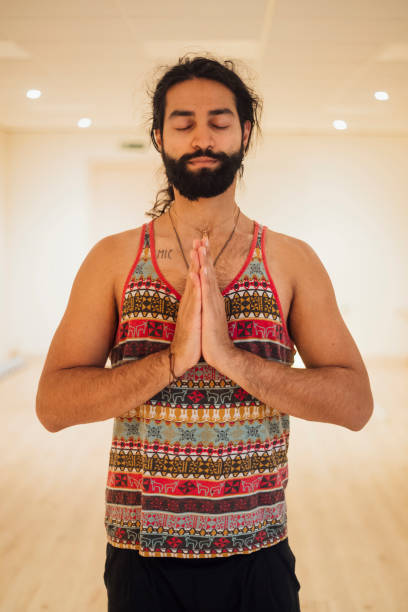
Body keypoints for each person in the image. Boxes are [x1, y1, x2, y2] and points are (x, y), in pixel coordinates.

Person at [35, 54, 374, 612]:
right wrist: (172, 359)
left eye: (219, 121)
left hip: (258, 553)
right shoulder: (114, 259)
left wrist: (229, 357)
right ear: (158, 135)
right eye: (183, 122)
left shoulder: (291, 261)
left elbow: (356, 404)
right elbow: (53, 406)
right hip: (142, 556)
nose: (202, 137)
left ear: (245, 131)